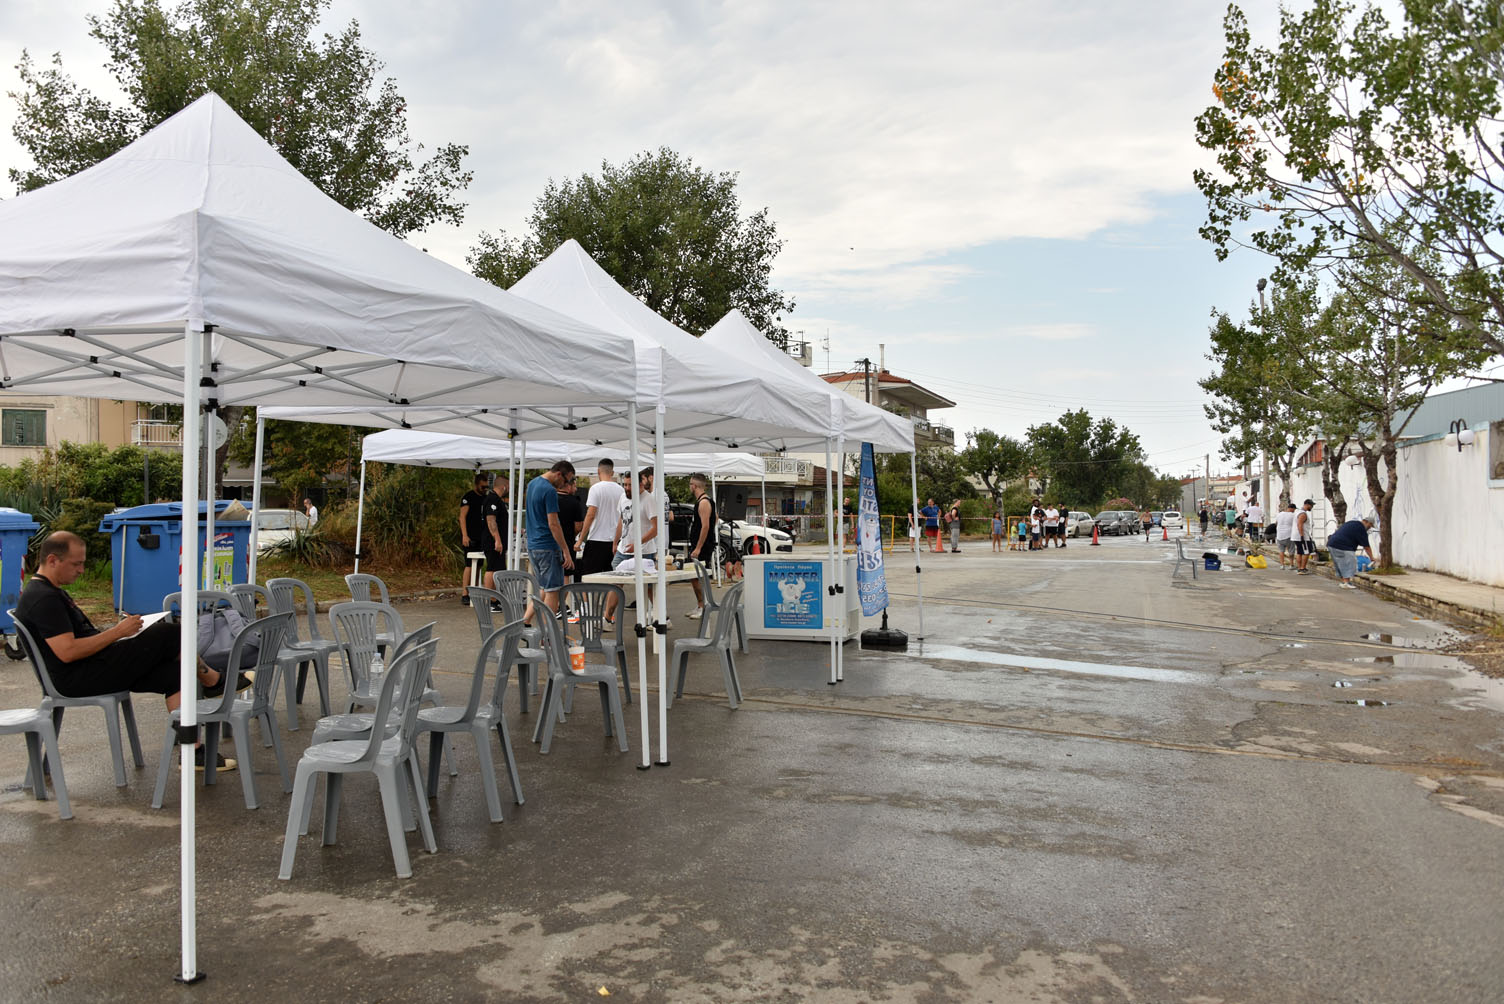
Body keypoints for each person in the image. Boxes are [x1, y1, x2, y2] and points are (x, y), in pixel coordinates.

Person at [16, 531, 243, 771]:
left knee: (175, 672)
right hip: (76, 677)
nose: (81, 570)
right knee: (172, 634)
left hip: (88, 667)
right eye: (76, 564)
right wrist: (118, 633)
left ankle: (193, 752)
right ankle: (213, 681)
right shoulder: (44, 599)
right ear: (52, 560)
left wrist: (123, 634)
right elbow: (67, 652)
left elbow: (79, 639)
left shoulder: (50, 592)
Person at [607, 466, 665, 622]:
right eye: (625, 484)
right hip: (623, 550)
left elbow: (656, 528)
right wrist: (615, 541)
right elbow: (622, 521)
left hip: (644, 551)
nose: (627, 488)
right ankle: (607, 618)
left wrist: (638, 544)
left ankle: (663, 618)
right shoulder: (623, 497)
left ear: (640, 484)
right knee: (615, 582)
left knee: (649, 587)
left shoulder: (648, 500)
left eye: (630, 485)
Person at [525, 461, 576, 616]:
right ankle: (548, 630)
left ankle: (525, 621)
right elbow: (553, 524)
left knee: (544, 588)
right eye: (566, 481)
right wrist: (565, 550)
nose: (565, 485)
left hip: (533, 545)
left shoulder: (532, 484)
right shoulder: (549, 491)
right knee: (553, 591)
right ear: (559, 474)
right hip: (547, 546)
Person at [458, 473, 502, 606]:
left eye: (486, 487)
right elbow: (462, 517)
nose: (484, 489)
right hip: (470, 536)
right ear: (476, 484)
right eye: (482, 487)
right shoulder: (468, 497)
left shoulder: (486, 498)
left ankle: (474, 589)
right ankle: (465, 593)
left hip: (481, 536)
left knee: (478, 565)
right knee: (469, 565)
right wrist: (465, 535)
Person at [577, 459, 626, 577]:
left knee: (590, 577)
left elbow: (590, 515)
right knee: (612, 577)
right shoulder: (621, 490)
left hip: (596, 539)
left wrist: (580, 539)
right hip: (615, 540)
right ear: (612, 472)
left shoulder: (595, 488)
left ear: (598, 471)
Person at [686, 473, 718, 619]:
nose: (690, 487)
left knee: (698, 576)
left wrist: (699, 547)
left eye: (690, 484)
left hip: (702, 547)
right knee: (694, 576)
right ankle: (700, 604)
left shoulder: (704, 502)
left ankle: (703, 606)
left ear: (695, 486)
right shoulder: (703, 501)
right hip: (699, 544)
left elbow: (705, 526)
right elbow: (715, 518)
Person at [1326, 514, 1376, 588]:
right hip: (1342, 546)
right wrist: (1371, 558)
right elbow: (1366, 547)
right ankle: (1346, 583)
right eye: (1370, 525)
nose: (1369, 528)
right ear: (1366, 522)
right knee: (1349, 562)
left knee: (1340, 564)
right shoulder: (1361, 528)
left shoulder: (1352, 523)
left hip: (1331, 544)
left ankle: (1344, 582)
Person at [556, 474, 586, 585]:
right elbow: (579, 525)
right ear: (568, 486)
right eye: (575, 486)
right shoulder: (574, 502)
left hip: (549, 542)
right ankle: (562, 596)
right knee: (565, 574)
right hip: (568, 542)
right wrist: (571, 534)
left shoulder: (550, 498)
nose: (576, 489)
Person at [1293, 499, 1316, 574]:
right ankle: (1302, 568)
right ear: (1307, 505)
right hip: (1302, 536)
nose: (1312, 507)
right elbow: (1299, 525)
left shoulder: (1297, 511)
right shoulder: (1303, 514)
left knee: (1299, 552)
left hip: (1296, 536)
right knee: (1306, 552)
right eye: (1311, 505)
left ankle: (1300, 568)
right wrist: (1302, 536)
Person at [1274, 502, 1297, 570]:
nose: (1294, 511)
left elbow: (1276, 523)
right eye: (1294, 509)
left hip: (1279, 535)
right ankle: (1291, 565)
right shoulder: (1293, 515)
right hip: (1289, 535)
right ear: (1292, 508)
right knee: (1291, 551)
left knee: (1281, 551)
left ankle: (1282, 565)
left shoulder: (1279, 514)